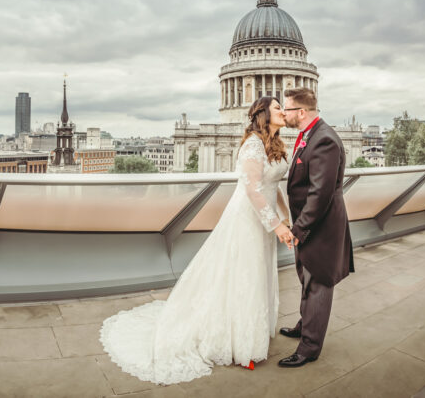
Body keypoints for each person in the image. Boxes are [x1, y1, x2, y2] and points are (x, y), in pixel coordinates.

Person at [99, 96, 293, 385]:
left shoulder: (275, 143)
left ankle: (249, 333)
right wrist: (276, 224)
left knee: (256, 274)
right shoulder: (253, 143)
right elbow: (252, 189)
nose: (284, 111)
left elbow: (271, 185)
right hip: (249, 218)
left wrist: (284, 216)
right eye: (278, 107)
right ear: (264, 113)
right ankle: (238, 343)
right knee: (244, 275)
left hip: (264, 218)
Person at [277, 88, 355, 368]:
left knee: (318, 283)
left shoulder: (324, 140)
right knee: (306, 279)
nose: (283, 113)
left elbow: (320, 194)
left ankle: (309, 348)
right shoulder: (310, 135)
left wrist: (298, 230)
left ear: (301, 112)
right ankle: (305, 325)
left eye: (286, 108)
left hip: (318, 227)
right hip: (309, 224)